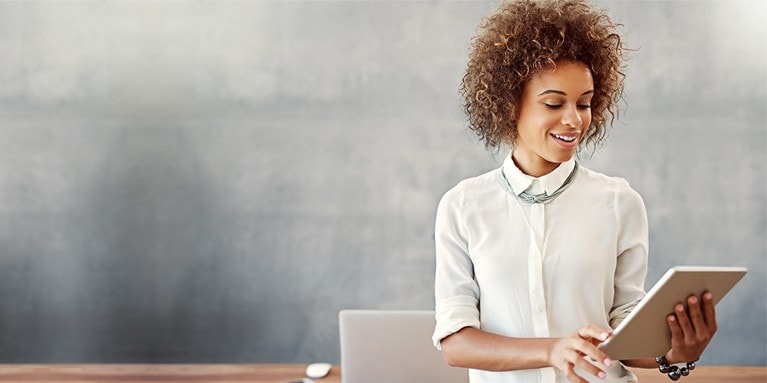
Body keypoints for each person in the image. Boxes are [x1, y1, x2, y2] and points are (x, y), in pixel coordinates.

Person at [432, 1, 717, 382]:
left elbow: (626, 333)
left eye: (584, 103)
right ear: (508, 103)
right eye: (554, 103)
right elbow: (456, 342)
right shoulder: (464, 206)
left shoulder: (619, 203)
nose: (574, 120)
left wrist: (677, 350)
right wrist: (552, 350)